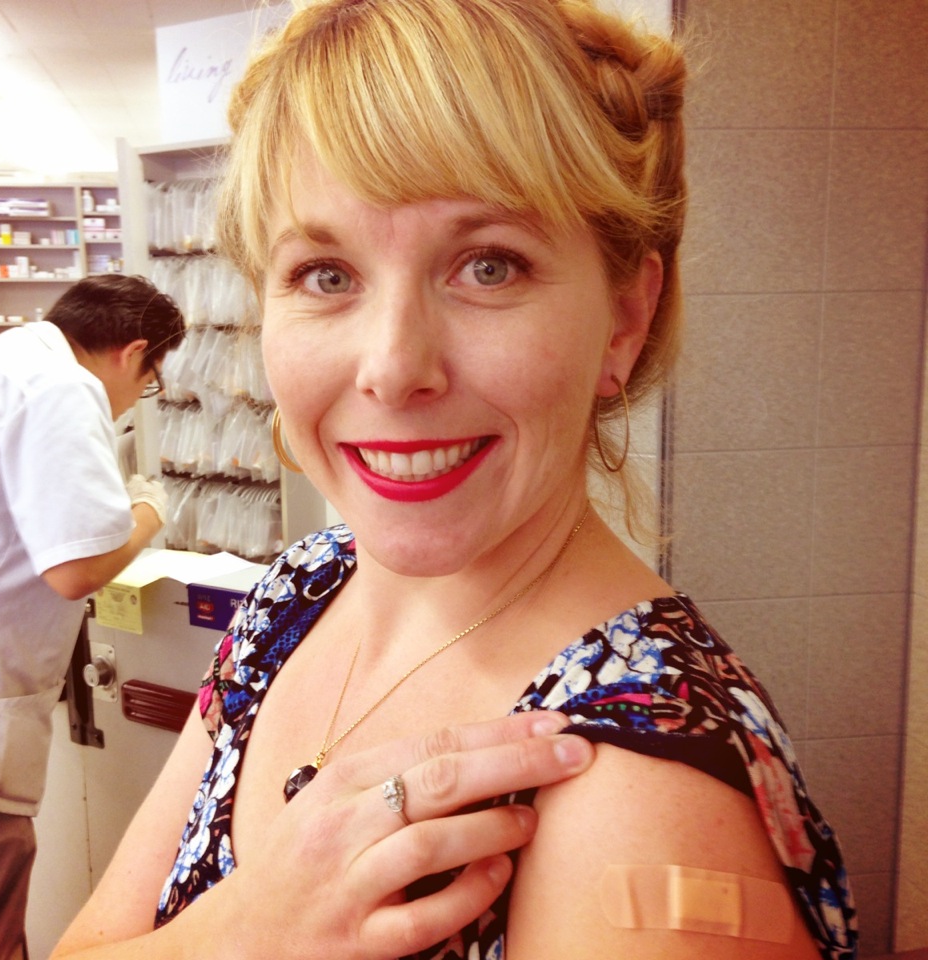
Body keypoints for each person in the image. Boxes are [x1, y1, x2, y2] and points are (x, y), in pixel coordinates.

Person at [51, 1, 858, 958]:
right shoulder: (299, 591)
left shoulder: (641, 794)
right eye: (325, 273)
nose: (392, 367)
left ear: (625, 318)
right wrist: (244, 933)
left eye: (488, 265)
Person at [0, 273, 186, 960]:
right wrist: (149, 510)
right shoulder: (66, 386)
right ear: (135, 353)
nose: (135, 401)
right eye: (149, 383)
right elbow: (75, 571)